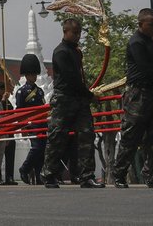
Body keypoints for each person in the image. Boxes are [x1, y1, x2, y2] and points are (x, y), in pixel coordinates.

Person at [112, 8, 153, 188]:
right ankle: (119, 174)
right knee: (131, 136)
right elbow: (146, 71)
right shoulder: (136, 42)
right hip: (139, 94)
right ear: (140, 24)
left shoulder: (150, 42)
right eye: (151, 24)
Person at [42, 17, 103, 188]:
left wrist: (86, 95)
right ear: (65, 32)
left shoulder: (76, 52)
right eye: (74, 33)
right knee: (57, 137)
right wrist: (89, 95)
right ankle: (49, 174)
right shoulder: (61, 52)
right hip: (64, 99)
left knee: (86, 135)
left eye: (79, 33)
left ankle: (86, 175)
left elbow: (79, 79)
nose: (77, 36)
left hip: (79, 99)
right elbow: (71, 79)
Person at [15, 54, 46, 184]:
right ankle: (24, 168)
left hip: (42, 123)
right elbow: (19, 111)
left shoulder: (39, 91)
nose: (34, 76)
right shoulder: (21, 92)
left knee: (42, 149)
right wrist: (23, 127)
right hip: (31, 123)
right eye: (31, 74)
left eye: (35, 74)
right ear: (26, 75)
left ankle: (39, 176)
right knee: (37, 148)